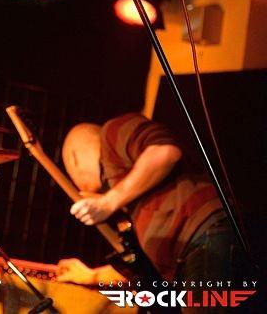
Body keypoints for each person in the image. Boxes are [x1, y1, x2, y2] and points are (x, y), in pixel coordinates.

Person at [55, 113, 243, 291]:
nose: (79, 187)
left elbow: (165, 151)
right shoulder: (126, 192)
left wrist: (107, 203)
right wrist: (91, 276)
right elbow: (141, 269)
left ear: (74, 159)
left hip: (204, 237)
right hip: (191, 256)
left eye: (71, 176)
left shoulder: (111, 133)